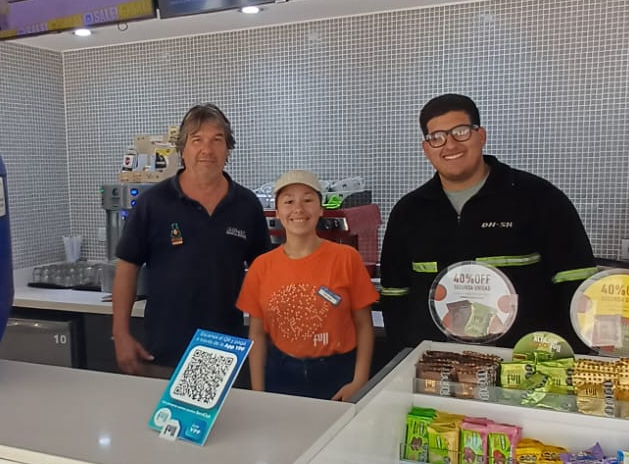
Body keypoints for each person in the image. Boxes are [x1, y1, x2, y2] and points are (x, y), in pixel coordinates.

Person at [379, 94, 597, 353]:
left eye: (460, 132)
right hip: (436, 363)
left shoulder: (538, 198)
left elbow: (576, 284)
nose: (450, 144)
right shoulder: (409, 212)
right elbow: (394, 295)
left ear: (480, 136)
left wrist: (565, 358)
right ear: (426, 148)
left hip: (522, 362)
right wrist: (408, 355)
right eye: (437, 137)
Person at [112, 103, 271, 374]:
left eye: (217, 140)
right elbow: (127, 268)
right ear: (183, 149)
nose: (207, 150)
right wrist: (120, 333)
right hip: (164, 354)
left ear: (228, 150)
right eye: (197, 140)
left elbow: (264, 273)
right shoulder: (153, 203)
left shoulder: (246, 205)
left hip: (225, 354)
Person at [239, 170, 378, 401]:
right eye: (289, 201)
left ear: (321, 208)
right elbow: (257, 335)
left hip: (337, 373)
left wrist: (359, 381)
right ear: (277, 211)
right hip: (281, 374)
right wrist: (258, 393)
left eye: (307, 200)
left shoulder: (346, 258)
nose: (299, 209)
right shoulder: (261, 266)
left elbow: (364, 325)